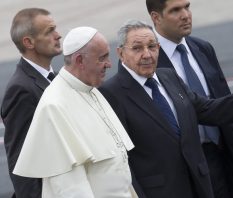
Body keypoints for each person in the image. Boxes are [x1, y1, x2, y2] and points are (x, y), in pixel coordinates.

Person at [99, 20, 233, 198]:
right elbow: (121, 160)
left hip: (200, 186)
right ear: (121, 53)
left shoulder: (169, 77)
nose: (147, 54)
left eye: (152, 46)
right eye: (137, 48)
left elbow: (209, 109)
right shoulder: (111, 93)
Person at [146, 0, 233, 197]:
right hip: (189, 168)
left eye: (187, 7)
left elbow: (226, 104)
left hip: (225, 157)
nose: (186, 15)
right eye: (175, 10)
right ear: (156, 17)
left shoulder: (202, 48)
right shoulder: (148, 60)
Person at [13, 26, 137, 198]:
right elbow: (68, 188)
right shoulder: (54, 106)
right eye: (102, 58)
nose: (109, 64)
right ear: (79, 60)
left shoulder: (90, 89)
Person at [0, 8, 62, 198]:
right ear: (29, 42)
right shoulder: (21, 89)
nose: (58, 35)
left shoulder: (56, 78)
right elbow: (21, 162)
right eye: (49, 31)